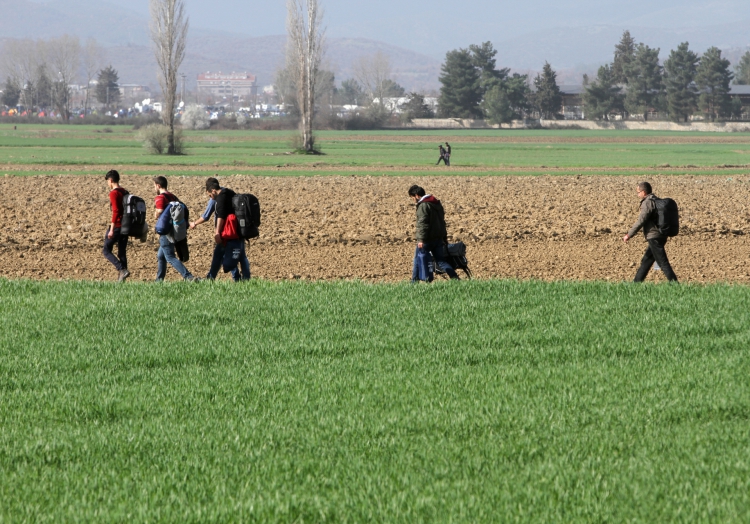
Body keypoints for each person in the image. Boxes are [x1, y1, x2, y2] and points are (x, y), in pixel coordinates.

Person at [190, 177, 250, 281]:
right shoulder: (230, 192)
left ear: (213, 190)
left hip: (227, 233)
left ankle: (213, 278)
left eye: (210, 195)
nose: (211, 198)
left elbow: (220, 216)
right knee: (241, 255)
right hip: (239, 230)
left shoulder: (220, 199)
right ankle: (246, 278)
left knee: (219, 255)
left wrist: (217, 232)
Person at [623, 181, 678, 283]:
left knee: (662, 262)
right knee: (646, 261)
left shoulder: (647, 202)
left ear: (644, 192)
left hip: (654, 237)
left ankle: (675, 284)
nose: (637, 194)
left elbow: (641, 220)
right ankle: (635, 283)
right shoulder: (655, 200)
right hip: (660, 235)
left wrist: (629, 235)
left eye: (638, 192)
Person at [408, 185, 459, 282]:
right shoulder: (436, 203)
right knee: (441, 261)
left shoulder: (423, 205)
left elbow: (422, 224)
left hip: (427, 240)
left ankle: (414, 282)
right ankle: (455, 278)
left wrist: (421, 240)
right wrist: (444, 237)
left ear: (416, 195)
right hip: (438, 238)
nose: (412, 200)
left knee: (417, 261)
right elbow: (442, 221)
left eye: (412, 198)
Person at [153, 176, 199, 282]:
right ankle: (159, 280)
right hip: (174, 229)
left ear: (158, 186)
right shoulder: (173, 196)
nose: (154, 188)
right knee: (161, 255)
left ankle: (188, 277)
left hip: (166, 232)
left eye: (154, 186)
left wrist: (155, 214)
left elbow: (159, 211)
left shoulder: (160, 197)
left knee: (169, 256)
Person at [102, 169, 130, 282]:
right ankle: (122, 280)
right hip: (126, 226)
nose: (108, 184)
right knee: (121, 251)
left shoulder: (114, 193)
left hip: (118, 225)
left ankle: (122, 269)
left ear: (111, 180)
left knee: (106, 250)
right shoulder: (125, 191)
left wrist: (112, 229)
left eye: (107, 181)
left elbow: (116, 211)